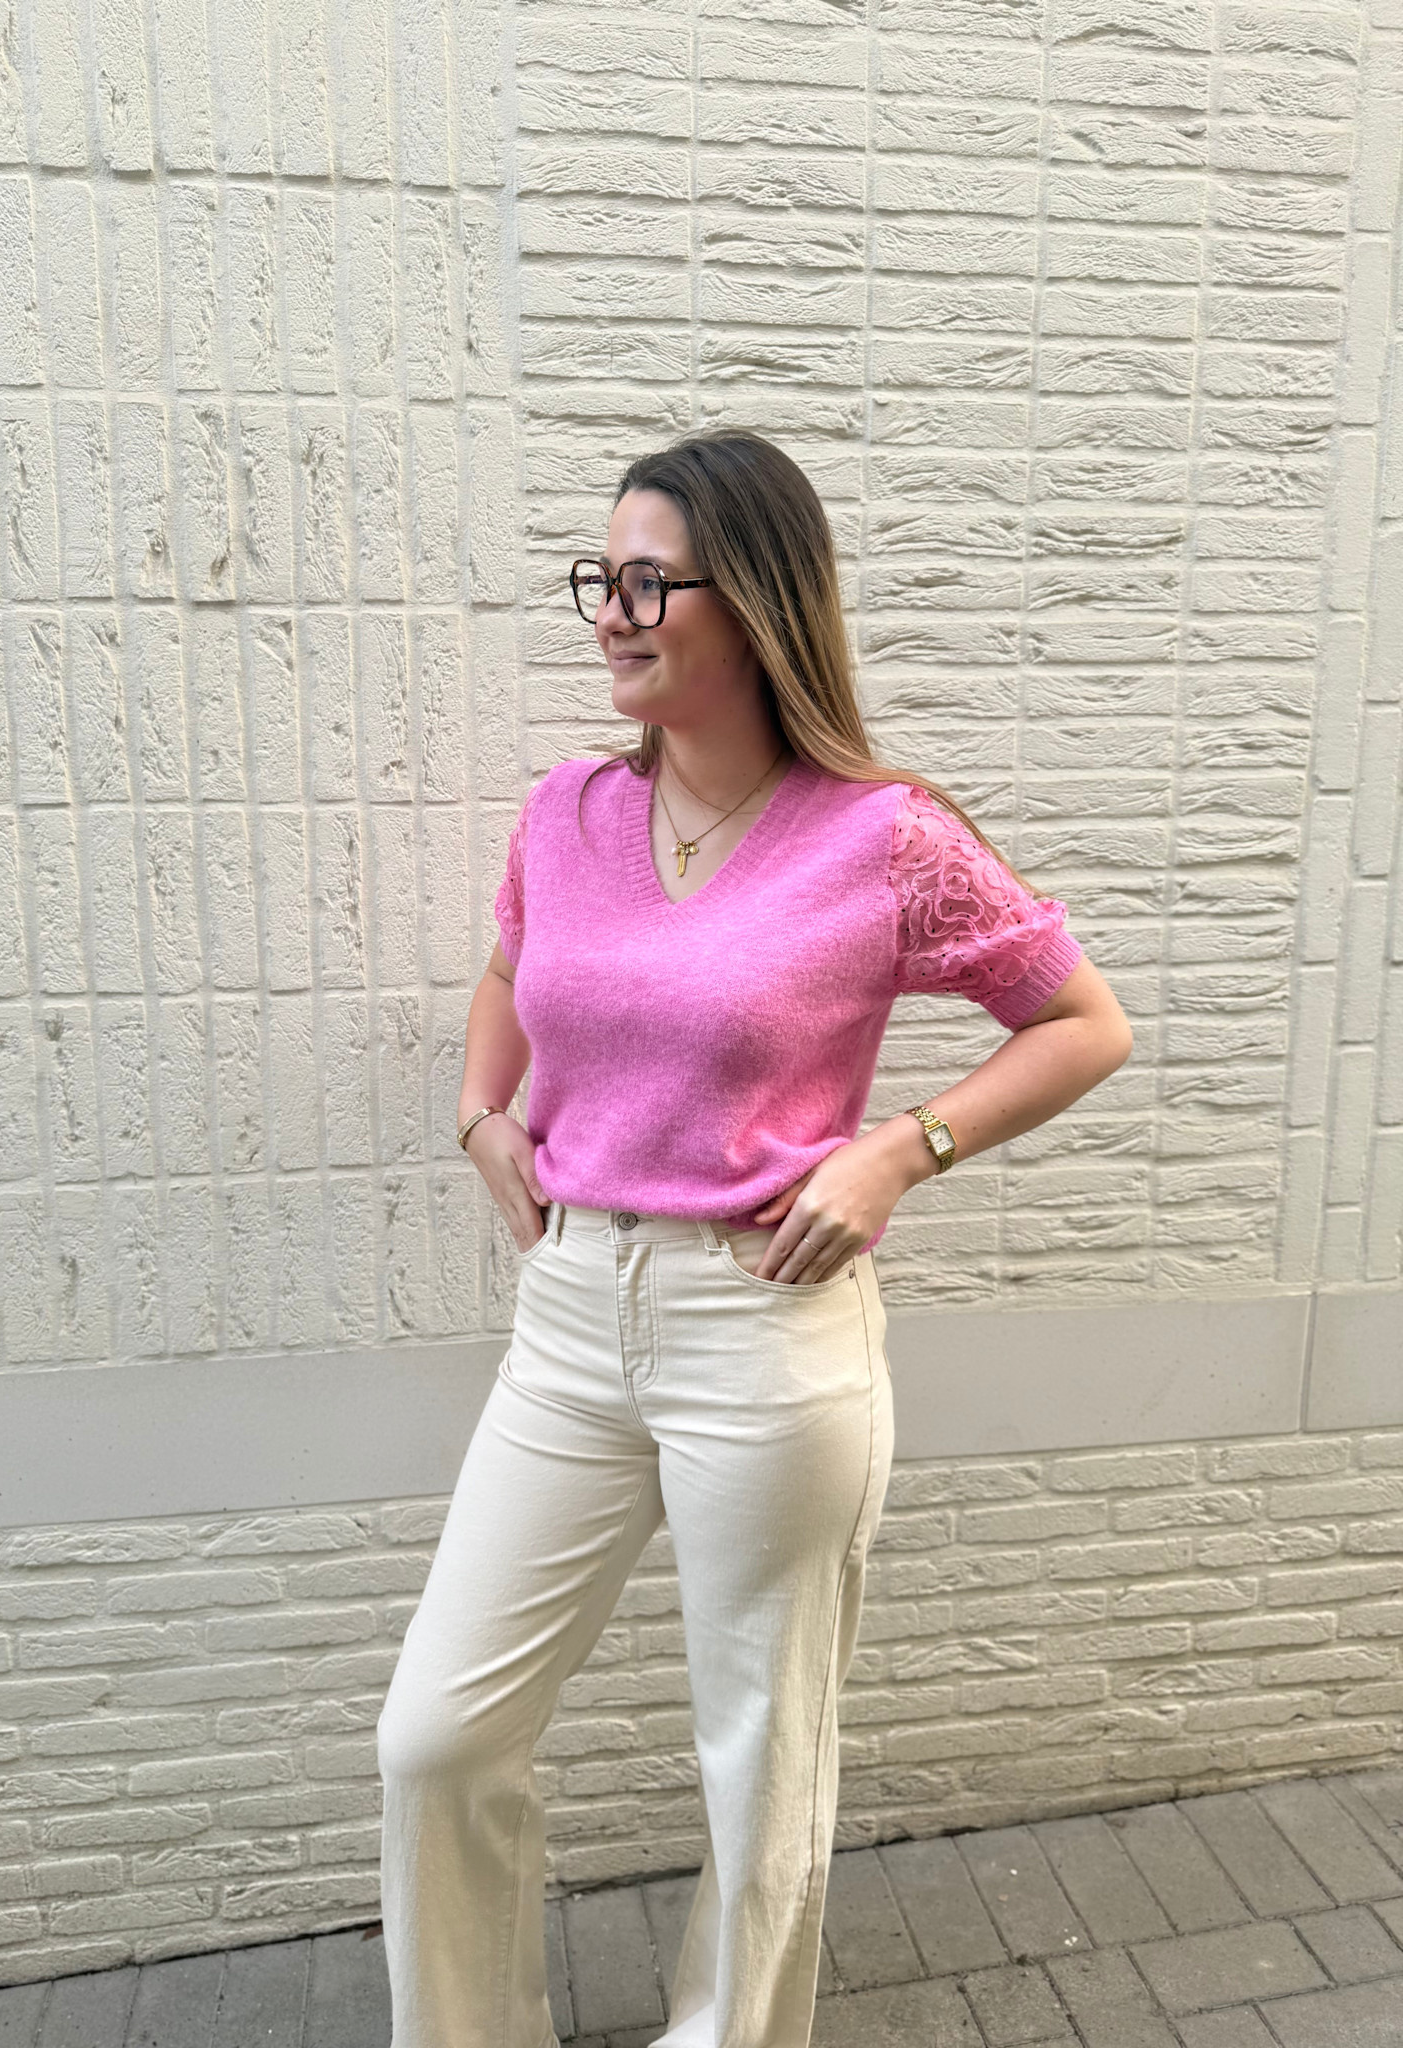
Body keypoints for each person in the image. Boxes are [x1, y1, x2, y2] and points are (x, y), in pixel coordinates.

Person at [375, 429, 1133, 2047]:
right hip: (571, 1319)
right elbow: (513, 970)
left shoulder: (882, 838)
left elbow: (1082, 1024)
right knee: (436, 1736)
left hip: (762, 1326)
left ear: (762, 599)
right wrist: (481, 1112)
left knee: (758, 1764)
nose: (611, 611)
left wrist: (902, 1151)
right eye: (600, 579)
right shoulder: (570, 811)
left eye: (650, 581)